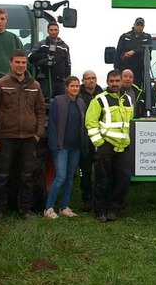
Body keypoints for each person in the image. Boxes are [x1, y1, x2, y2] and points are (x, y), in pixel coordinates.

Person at [0, 49, 46, 221]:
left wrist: (38, 134)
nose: (21, 66)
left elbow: (41, 111)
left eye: (23, 63)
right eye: (17, 62)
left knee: (27, 177)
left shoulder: (35, 86)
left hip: (28, 138)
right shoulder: (1, 84)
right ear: (10, 63)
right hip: (6, 137)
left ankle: (25, 210)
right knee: (2, 176)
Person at [86, 70, 134, 223]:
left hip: (123, 146)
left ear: (121, 82)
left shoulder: (128, 100)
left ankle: (114, 209)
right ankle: (100, 210)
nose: (114, 84)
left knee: (124, 178)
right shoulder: (99, 100)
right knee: (103, 178)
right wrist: (99, 143)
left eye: (117, 81)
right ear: (107, 82)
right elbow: (91, 123)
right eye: (111, 81)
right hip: (105, 146)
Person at [44, 76, 89, 219]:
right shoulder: (58, 101)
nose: (75, 88)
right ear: (66, 87)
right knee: (60, 177)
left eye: (77, 86)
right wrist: (54, 145)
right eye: (72, 86)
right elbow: (51, 125)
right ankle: (48, 208)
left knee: (70, 177)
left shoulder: (81, 103)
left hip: (75, 146)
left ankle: (64, 207)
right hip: (61, 146)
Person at [76, 70, 104, 212]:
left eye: (93, 78)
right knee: (85, 171)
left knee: (101, 170)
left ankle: (100, 198)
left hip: (100, 137)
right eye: (88, 78)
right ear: (83, 80)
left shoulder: (102, 94)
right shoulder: (78, 95)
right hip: (84, 138)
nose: (91, 81)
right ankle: (87, 199)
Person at [28, 21, 72, 99]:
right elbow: (30, 56)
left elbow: (68, 64)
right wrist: (45, 57)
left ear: (58, 31)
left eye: (55, 30)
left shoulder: (64, 46)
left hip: (60, 81)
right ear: (48, 31)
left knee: (60, 102)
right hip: (46, 80)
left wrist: (67, 79)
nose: (53, 32)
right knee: (45, 101)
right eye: (51, 30)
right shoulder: (42, 44)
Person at [114, 17, 152, 89]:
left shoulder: (147, 37)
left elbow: (148, 49)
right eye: (137, 25)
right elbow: (118, 52)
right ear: (134, 25)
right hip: (125, 68)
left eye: (141, 25)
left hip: (140, 70)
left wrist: (134, 52)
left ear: (143, 27)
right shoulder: (125, 36)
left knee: (137, 89)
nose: (139, 27)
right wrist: (116, 68)